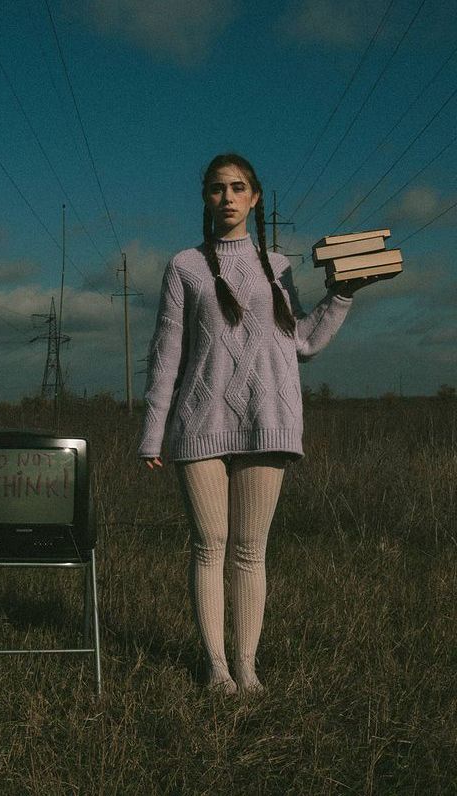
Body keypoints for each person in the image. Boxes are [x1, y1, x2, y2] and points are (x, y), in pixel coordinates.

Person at [138, 153, 374, 695]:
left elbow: (304, 343)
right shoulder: (184, 267)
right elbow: (166, 356)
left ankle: (247, 667)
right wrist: (153, 431)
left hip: (269, 421)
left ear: (255, 197)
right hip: (199, 424)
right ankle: (216, 669)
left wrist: (341, 295)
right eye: (217, 188)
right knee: (209, 542)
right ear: (206, 197)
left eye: (237, 188)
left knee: (249, 549)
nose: (227, 197)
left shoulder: (279, 266)